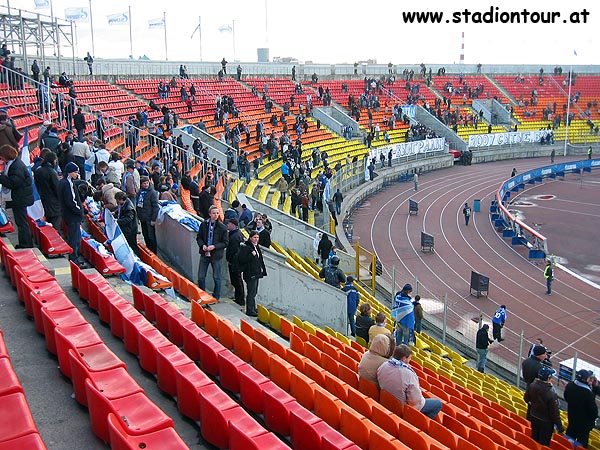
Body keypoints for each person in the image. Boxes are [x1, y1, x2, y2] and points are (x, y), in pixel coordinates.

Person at [377, 344, 443, 419]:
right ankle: (421, 422)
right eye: (409, 358)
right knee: (437, 404)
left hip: (386, 400)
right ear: (404, 358)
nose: (410, 361)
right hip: (402, 408)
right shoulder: (408, 374)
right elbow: (415, 401)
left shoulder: (384, 365)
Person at [0, 144, 34, 248]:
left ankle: (26, 244)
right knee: (21, 221)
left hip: (20, 198)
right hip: (20, 198)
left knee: (21, 222)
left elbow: (14, 183)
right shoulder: (15, 164)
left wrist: (1, 177)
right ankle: (25, 243)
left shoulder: (16, 166)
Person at [196, 205, 229, 301]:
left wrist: (214, 246)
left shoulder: (222, 227)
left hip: (216, 255)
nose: (216, 215)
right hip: (204, 254)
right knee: (201, 276)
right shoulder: (204, 224)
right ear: (210, 214)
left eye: (217, 213)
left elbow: (225, 243)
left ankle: (216, 296)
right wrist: (203, 246)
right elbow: (199, 237)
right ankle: (201, 294)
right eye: (214, 213)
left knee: (216, 277)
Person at [524, 367, 563, 446]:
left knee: (534, 437)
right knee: (544, 442)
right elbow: (554, 413)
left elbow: (526, 399)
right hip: (546, 422)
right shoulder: (551, 394)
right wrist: (560, 427)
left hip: (534, 416)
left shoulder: (532, 386)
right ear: (548, 378)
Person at [58, 162, 84, 266]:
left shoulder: (62, 182)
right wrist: (79, 211)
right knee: (75, 238)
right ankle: (75, 259)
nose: (77, 174)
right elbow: (71, 201)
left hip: (67, 214)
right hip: (72, 216)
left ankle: (74, 258)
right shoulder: (68, 183)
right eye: (75, 172)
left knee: (74, 237)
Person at [564, 369, 599, 448]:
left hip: (572, 418)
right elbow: (594, 412)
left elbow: (566, 397)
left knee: (568, 439)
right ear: (585, 379)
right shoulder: (587, 393)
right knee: (582, 443)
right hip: (583, 424)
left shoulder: (570, 385)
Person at [237, 230, 267, 317]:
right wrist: (251, 255)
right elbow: (242, 259)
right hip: (250, 273)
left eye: (257, 237)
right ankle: (250, 310)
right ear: (250, 238)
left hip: (256, 272)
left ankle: (253, 308)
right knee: (251, 292)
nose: (256, 239)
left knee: (254, 292)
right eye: (254, 237)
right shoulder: (246, 247)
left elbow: (259, 259)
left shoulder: (256, 246)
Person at [33, 151, 61, 231]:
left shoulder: (38, 171)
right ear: (53, 160)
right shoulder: (52, 172)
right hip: (54, 204)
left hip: (43, 200)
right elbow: (57, 188)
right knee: (56, 225)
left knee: (48, 224)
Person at [136, 176, 159, 253]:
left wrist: (153, 219)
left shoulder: (152, 193)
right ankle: (148, 250)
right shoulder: (140, 192)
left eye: (147, 183)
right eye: (144, 183)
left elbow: (156, 207)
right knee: (145, 235)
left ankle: (153, 252)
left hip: (149, 218)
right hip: (142, 218)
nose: (146, 185)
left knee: (151, 237)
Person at [225, 218, 245, 306]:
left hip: (235, 263)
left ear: (233, 225)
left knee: (236, 281)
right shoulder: (236, 234)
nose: (227, 225)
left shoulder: (235, 236)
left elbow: (233, 251)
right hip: (236, 262)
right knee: (237, 281)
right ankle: (239, 298)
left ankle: (240, 300)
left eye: (229, 224)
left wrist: (231, 260)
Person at [114, 191, 138, 255]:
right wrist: (115, 213)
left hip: (130, 229)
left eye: (117, 200)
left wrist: (118, 221)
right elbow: (120, 210)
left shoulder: (129, 208)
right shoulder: (123, 203)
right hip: (127, 228)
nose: (117, 202)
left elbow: (128, 219)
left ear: (121, 199)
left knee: (132, 244)